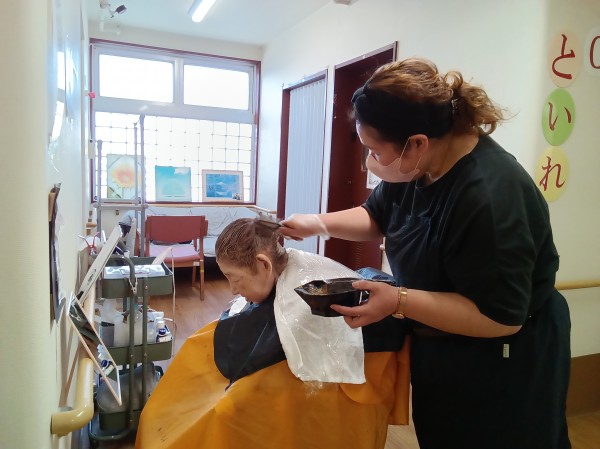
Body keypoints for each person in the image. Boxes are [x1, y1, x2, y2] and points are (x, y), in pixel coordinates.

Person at [279, 57, 571, 449]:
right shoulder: (418, 164)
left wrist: (398, 300)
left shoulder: (489, 197)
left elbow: (500, 316)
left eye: (375, 152)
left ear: (417, 143)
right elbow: (377, 216)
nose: (369, 162)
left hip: (504, 357)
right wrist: (316, 223)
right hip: (442, 345)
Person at [135, 218, 410, 449]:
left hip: (325, 387)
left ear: (264, 265)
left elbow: (277, 367)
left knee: (223, 410)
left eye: (235, 279)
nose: (232, 290)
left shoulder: (306, 302)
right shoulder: (288, 271)